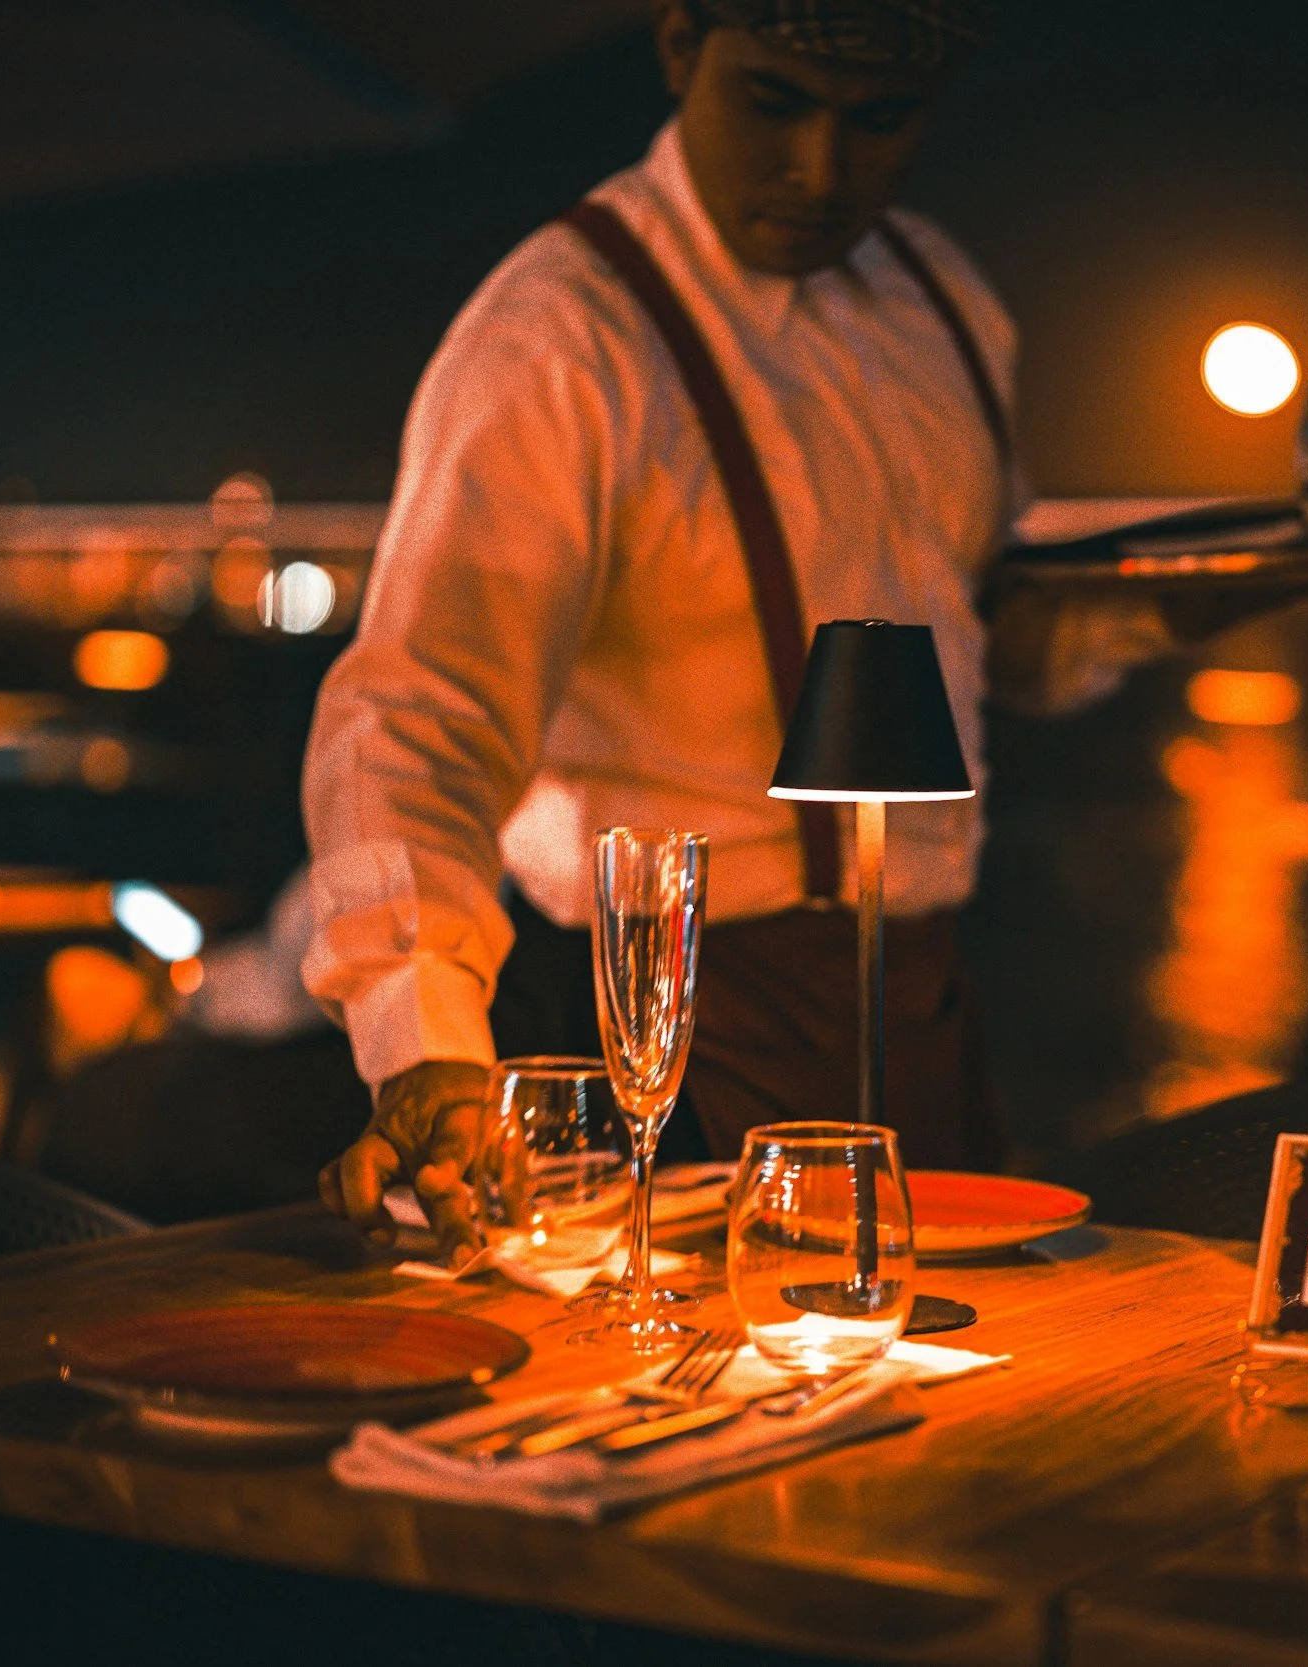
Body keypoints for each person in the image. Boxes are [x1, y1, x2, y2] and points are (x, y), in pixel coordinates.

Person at [304, 0, 1174, 1254]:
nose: (821, 172)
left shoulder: (946, 303)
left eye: (879, 120)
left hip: (921, 995)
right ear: (678, 49)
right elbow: (412, 722)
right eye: (774, 103)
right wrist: (425, 1045)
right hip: (669, 1035)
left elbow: (987, 648)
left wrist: (1211, 598)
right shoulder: (559, 334)